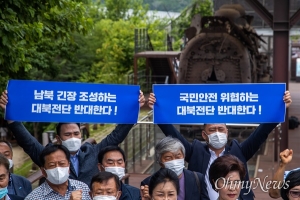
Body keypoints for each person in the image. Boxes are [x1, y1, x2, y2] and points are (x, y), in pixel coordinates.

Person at [147, 91, 292, 200]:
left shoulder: (239, 151)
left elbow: (261, 132)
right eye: (212, 130)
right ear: (204, 135)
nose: (217, 133)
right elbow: (173, 134)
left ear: (227, 132)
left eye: (221, 129)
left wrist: (280, 108)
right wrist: (157, 110)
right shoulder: (195, 151)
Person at [0, 90, 145, 185]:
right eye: (67, 134)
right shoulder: (48, 156)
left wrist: (134, 110)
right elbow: (28, 142)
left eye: (76, 134)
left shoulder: (93, 152)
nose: (73, 138)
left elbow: (115, 137)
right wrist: (10, 114)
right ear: (58, 138)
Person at [140, 136, 209, 200]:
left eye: (178, 157)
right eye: (168, 158)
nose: (174, 161)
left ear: (184, 157)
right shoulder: (148, 183)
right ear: (160, 162)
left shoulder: (197, 179)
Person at [25, 144, 91, 200]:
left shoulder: (82, 187)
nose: (57, 168)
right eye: (52, 165)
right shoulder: (33, 198)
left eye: (62, 163)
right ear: (43, 171)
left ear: (69, 167)